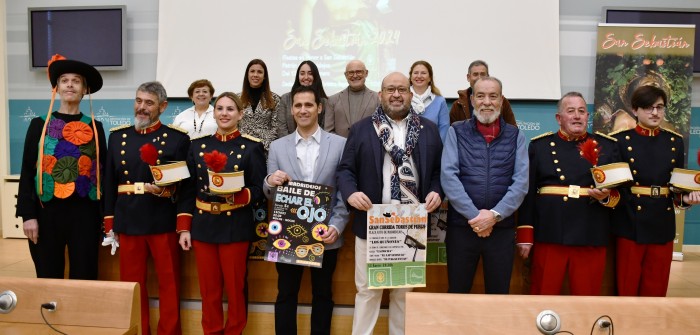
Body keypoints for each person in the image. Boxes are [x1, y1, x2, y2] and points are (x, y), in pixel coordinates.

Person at [337, 72, 443, 335]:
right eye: (390, 89)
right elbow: (345, 171)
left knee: (403, 291)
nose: (396, 95)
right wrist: (350, 193)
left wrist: (437, 191)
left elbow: (440, 172)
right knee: (368, 290)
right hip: (372, 223)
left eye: (402, 89)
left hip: (411, 223)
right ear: (380, 94)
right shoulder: (361, 129)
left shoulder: (427, 129)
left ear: (410, 94)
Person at [103, 81, 190, 335]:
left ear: (162, 106)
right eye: (139, 101)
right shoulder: (117, 136)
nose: (142, 107)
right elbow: (109, 183)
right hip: (128, 219)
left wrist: (182, 222)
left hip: (162, 220)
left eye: (149, 103)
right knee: (132, 286)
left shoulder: (177, 139)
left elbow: (185, 188)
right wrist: (110, 224)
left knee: (169, 284)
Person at [264, 86, 349, 335]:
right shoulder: (278, 147)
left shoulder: (340, 145)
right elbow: (268, 191)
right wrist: (270, 181)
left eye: (309, 105)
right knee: (286, 293)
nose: (303, 110)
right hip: (288, 235)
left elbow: (344, 192)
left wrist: (337, 225)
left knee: (323, 294)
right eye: (298, 106)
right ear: (291, 110)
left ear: (319, 108)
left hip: (326, 234)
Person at [178, 92, 266, 334]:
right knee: (209, 290)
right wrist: (184, 227)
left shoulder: (251, 147)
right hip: (203, 225)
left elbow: (259, 189)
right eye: (220, 109)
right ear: (213, 113)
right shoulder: (197, 146)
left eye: (230, 109)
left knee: (236, 289)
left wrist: (237, 196)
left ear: (240, 114)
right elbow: (188, 190)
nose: (224, 113)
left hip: (235, 225)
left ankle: (235, 330)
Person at [517, 92, 621, 296]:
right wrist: (525, 234)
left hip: (590, 231)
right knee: (543, 294)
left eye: (582, 111)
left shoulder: (607, 147)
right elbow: (527, 193)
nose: (577, 116)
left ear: (587, 117)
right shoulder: (541, 146)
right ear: (559, 118)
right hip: (550, 231)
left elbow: (620, 191)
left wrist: (606, 197)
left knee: (587, 297)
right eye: (570, 111)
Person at [16, 55, 106, 280]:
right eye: (64, 80)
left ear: (84, 89)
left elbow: (102, 173)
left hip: (85, 215)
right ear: (56, 88)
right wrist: (28, 215)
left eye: (76, 81)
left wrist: (106, 217)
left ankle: (82, 316)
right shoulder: (39, 125)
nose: (70, 85)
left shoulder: (96, 127)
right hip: (47, 213)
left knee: (85, 274)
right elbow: (28, 171)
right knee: (48, 274)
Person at [441, 76, 528, 294]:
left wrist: (494, 216)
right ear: (472, 100)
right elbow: (449, 176)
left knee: (498, 296)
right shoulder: (456, 131)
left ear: (501, 100)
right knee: (457, 293)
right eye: (480, 96)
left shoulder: (516, 136)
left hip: (501, 230)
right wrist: (475, 217)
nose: (486, 101)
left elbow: (521, 183)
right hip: (462, 228)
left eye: (493, 96)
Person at [610, 85, 700, 296]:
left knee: (656, 290)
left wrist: (687, 198)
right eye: (649, 107)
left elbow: (676, 186)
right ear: (635, 110)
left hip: (662, 223)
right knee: (627, 289)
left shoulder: (674, 142)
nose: (655, 113)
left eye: (660, 107)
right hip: (629, 222)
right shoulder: (620, 141)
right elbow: (617, 187)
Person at [449, 60, 516, 126]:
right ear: (468, 77)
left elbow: (512, 130)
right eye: (475, 74)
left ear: (488, 77)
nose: (479, 78)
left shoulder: (503, 103)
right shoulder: (458, 105)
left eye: (483, 74)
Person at [324, 60, 380, 138]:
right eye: (351, 72)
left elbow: (381, 129)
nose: (355, 75)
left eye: (359, 72)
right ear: (345, 75)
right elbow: (328, 132)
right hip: (341, 149)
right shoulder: (333, 100)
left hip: (368, 149)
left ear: (366, 73)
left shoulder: (378, 99)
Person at [276, 60, 329, 137]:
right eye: (302, 73)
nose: (306, 77)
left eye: (310, 73)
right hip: (288, 145)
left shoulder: (324, 101)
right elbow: (281, 128)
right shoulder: (285, 99)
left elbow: (324, 128)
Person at [238, 59, 281, 151]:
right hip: (241, 148)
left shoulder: (275, 99)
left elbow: (276, 128)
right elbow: (233, 125)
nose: (255, 75)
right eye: (252, 71)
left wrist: (262, 145)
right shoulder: (237, 98)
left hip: (264, 150)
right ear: (247, 75)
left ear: (264, 76)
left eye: (260, 72)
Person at [409, 60, 449, 141]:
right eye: (416, 73)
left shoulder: (440, 101)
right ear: (410, 77)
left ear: (430, 78)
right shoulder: (402, 100)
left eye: (423, 73)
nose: (419, 76)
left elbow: (444, 130)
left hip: (432, 151)